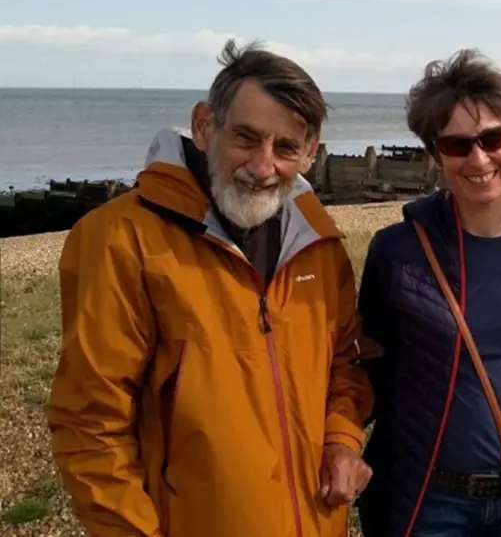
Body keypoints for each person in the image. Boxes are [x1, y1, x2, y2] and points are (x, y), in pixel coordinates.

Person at [46, 39, 375, 537]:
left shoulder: (318, 243)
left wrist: (342, 438)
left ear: (311, 152)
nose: (262, 166)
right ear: (204, 126)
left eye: (286, 147)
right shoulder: (120, 239)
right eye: (246, 138)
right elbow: (91, 424)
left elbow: (345, 363)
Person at [353, 48, 501, 536]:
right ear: (436, 155)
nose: (478, 159)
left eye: (492, 138)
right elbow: (365, 366)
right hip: (431, 500)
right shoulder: (397, 251)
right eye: (457, 145)